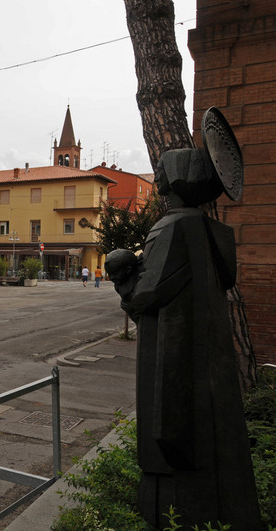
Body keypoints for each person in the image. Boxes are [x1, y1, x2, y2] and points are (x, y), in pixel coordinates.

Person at [105, 147, 261, 530]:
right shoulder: (211, 231)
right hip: (205, 350)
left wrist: (124, 278)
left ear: (175, 177)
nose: (156, 176)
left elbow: (147, 292)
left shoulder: (172, 226)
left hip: (173, 350)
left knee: (173, 445)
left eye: (161, 169)